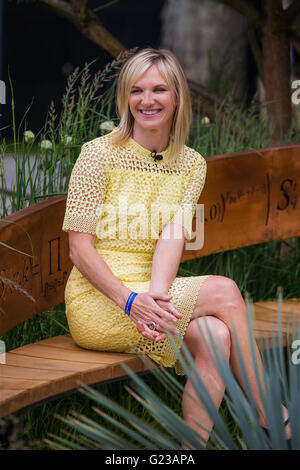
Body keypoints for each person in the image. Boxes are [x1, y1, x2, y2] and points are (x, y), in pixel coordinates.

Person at [62, 48, 291, 449]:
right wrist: (130, 300)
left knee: (216, 336)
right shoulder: (98, 155)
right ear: (125, 98)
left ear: (177, 97)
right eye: (136, 91)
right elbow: (79, 250)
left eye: (158, 90)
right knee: (224, 291)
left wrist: (156, 297)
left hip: (149, 293)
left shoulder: (191, 164)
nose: (146, 100)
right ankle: (272, 416)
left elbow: (172, 236)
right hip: (100, 299)